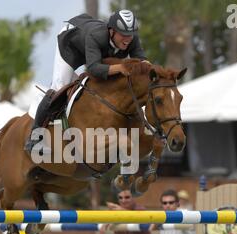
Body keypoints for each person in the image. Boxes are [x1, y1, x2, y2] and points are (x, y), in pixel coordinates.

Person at [25, 10, 149, 151]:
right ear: (112, 31)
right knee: (59, 86)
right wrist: (120, 67)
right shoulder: (96, 36)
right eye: (123, 34)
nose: (128, 39)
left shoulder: (131, 39)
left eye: (130, 35)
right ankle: (34, 138)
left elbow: (142, 61)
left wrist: (154, 72)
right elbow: (93, 68)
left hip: (91, 50)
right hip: (70, 45)